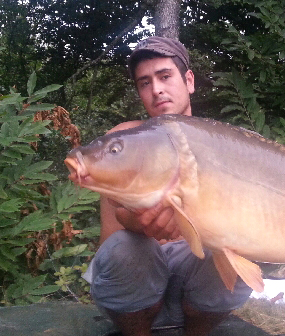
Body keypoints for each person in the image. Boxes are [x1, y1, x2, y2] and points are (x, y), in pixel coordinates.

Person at [84, 36, 253, 336]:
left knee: (232, 250)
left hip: (196, 295)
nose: (156, 89)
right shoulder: (125, 140)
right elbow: (123, 214)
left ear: (188, 80)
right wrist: (139, 220)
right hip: (130, 298)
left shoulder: (219, 145)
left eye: (164, 76)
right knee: (128, 247)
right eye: (144, 83)